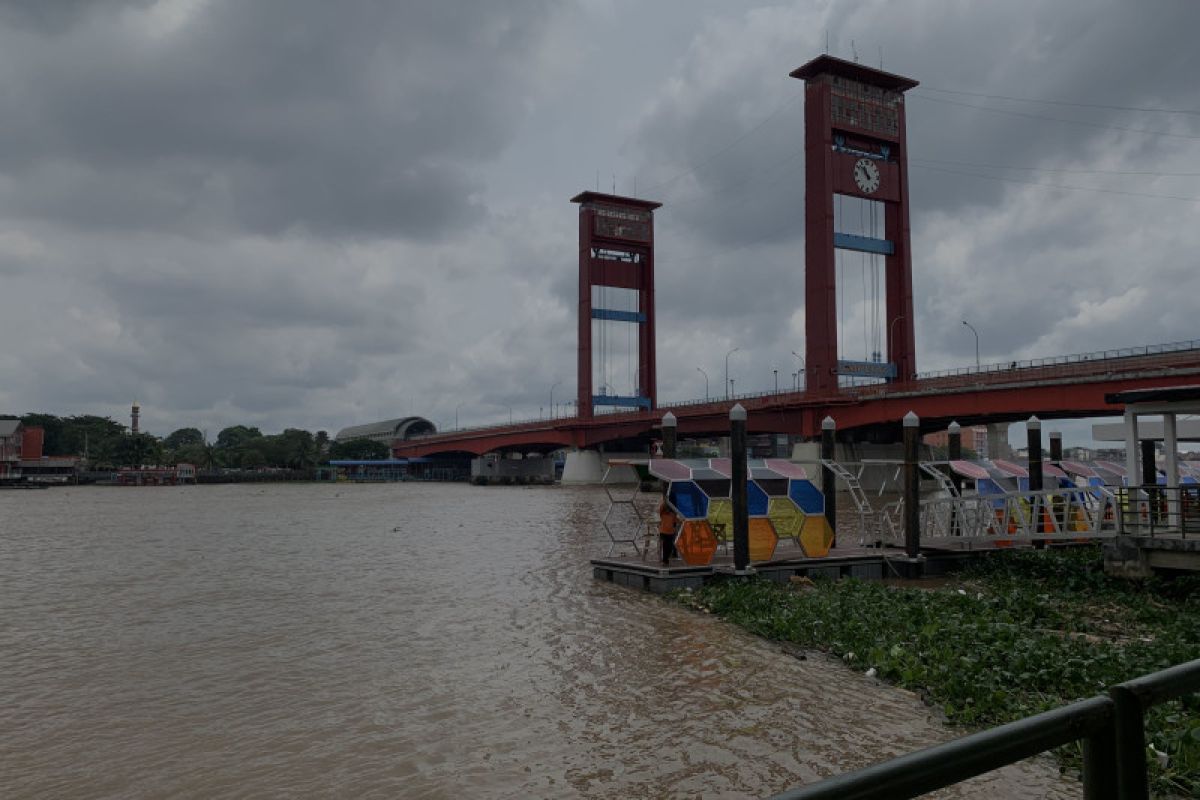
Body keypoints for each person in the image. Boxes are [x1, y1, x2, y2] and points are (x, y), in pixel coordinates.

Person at [658, 498, 678, 565]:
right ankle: (665, 561)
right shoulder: (662, 512)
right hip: (663, 531)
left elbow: (675, 522)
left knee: (669, 546)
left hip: (670, 532)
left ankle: (666, 560)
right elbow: (661, 507)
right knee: (665, 546)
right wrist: (666, 501)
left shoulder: (673, 513)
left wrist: (674, 528)